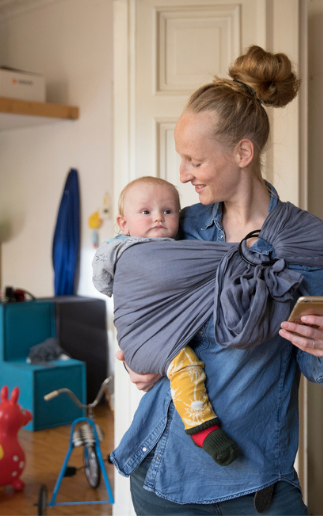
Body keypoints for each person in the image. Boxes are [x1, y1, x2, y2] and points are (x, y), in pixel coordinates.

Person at [111, 45, 323, 515]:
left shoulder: (307, 240)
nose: (182, 175)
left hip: (255, 480)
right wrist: (139, 357)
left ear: (243, 152)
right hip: (161, 466)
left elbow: (319, 369)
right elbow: (140, 303)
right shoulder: (182, 226)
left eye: (194, 162)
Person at [92, 176, 239, 466]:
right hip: (142, 335)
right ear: (123, 225)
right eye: (145, 212)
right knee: (186, 365)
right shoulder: (126, 249)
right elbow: (106, 281)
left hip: (154, 340)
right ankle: (201, 426)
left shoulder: (183, 245)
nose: (158, 217)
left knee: (186, 364)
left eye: (168, 211)